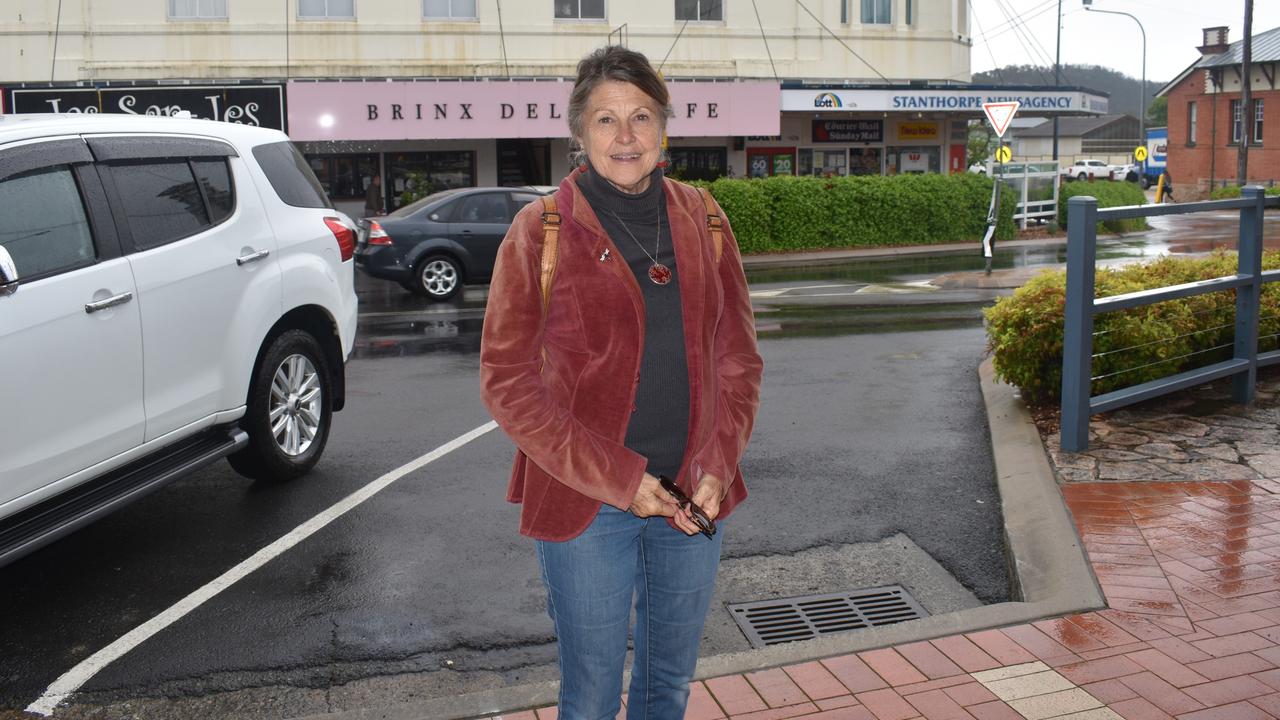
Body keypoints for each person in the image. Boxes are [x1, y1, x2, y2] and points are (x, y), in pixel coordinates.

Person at [479, 45, 763, 720]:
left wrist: (719, 464)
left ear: (664, 126)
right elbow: (507, 381)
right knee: (593, 695)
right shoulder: (539, 230)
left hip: (693, 496)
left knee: (668, 687)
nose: (626, 136)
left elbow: (738, 360)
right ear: (580, 133)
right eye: (606, 120)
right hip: (587, 506)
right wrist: (620, 480)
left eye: (641, 116)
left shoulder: (706, 219)